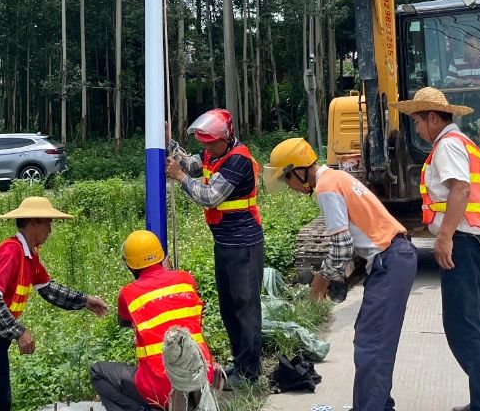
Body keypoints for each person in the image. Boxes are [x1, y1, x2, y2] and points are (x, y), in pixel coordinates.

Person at [265, 137, 416, 411]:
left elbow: (342, 245)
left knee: (372, 343)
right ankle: (379, 405)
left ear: (298, 170)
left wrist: (322, 279)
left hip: (390, 260)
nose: (290, 186)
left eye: (287, 179)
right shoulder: (335, 177)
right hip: (393, 258)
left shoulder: (326, 187)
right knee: (372, 339)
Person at [394, 87, 480, 411]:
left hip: (468, 246)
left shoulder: (447, 146)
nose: (416, 129)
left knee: (461, 328)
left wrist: (444, 237)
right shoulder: (469, 146)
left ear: (432, 117)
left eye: (417, 121)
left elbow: (460, 189)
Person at [0, 195, 109, 411]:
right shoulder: (10, 251)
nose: (50, 230)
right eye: (48, 223)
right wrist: (19, 331)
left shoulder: (30, 256)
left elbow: (49, 289)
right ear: (32, 223)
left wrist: (84, 300)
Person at [166, 108, 263, 387]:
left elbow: (210, 197)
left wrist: (181, 178)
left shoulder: (237, 161)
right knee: (229, 307)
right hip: (225, 243)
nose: (206, 148)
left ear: (226, 137)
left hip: (244, 246)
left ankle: (250, 373)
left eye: (210, 143)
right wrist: (171, 144)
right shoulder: (214, 153)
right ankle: (240, 364)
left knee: (246, 308)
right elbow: (189, 163)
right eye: (203, 143)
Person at [90, 230, 217, 411]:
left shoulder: (128, 293)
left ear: (129, 266)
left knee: (98, 372)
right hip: (201, 377)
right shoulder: (186, 280)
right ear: (162, 256)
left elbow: (124, 321)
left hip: (161, 388)